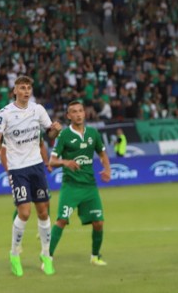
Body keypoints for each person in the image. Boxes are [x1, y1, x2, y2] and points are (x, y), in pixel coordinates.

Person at [0, 76, 62, 277]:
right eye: (22, 88)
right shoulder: (4, 113)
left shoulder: (38, 109)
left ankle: (46, 255)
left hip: (37, 166)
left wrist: (55, 131)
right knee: (24, 212)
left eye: (29, 88)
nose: (26, 91)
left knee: (43, 212)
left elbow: (49, 135)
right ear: (15, 90)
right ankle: (14, 255)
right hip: (17, 169)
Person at [48, 101, 112, 268]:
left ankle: (95, 256)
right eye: (74, 112)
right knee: (61, 220)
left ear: (85, 113)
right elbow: (52, 161)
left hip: (90, 186)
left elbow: (102, 153)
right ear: (69, 116)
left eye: (81, 111)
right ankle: (47, 256)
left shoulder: (93, 133)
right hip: (71, 186)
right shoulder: (63, 136)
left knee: (98, 222)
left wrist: (107, 169)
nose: (78, 114)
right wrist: (65, 162)